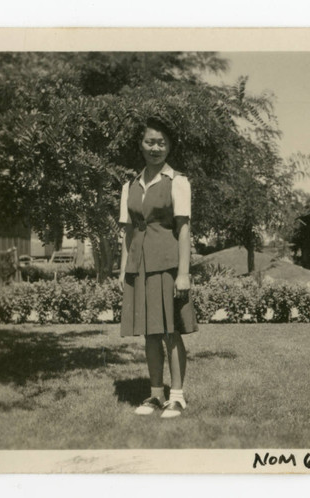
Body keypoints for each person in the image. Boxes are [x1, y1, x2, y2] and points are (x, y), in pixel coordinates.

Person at [118, 117, 198, 419]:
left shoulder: (178, 182)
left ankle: (176, 397)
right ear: (141, 144)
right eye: (150, 141)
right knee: (150, 333)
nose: (155, 147)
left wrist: (183, 273)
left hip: (167, 265)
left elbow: (184, 229)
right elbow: (128, 232)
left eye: (161, 142)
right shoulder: (130, 186)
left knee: (170, 330)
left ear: (169, 146)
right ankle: (154, 395)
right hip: (139, 266)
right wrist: (123, 271)